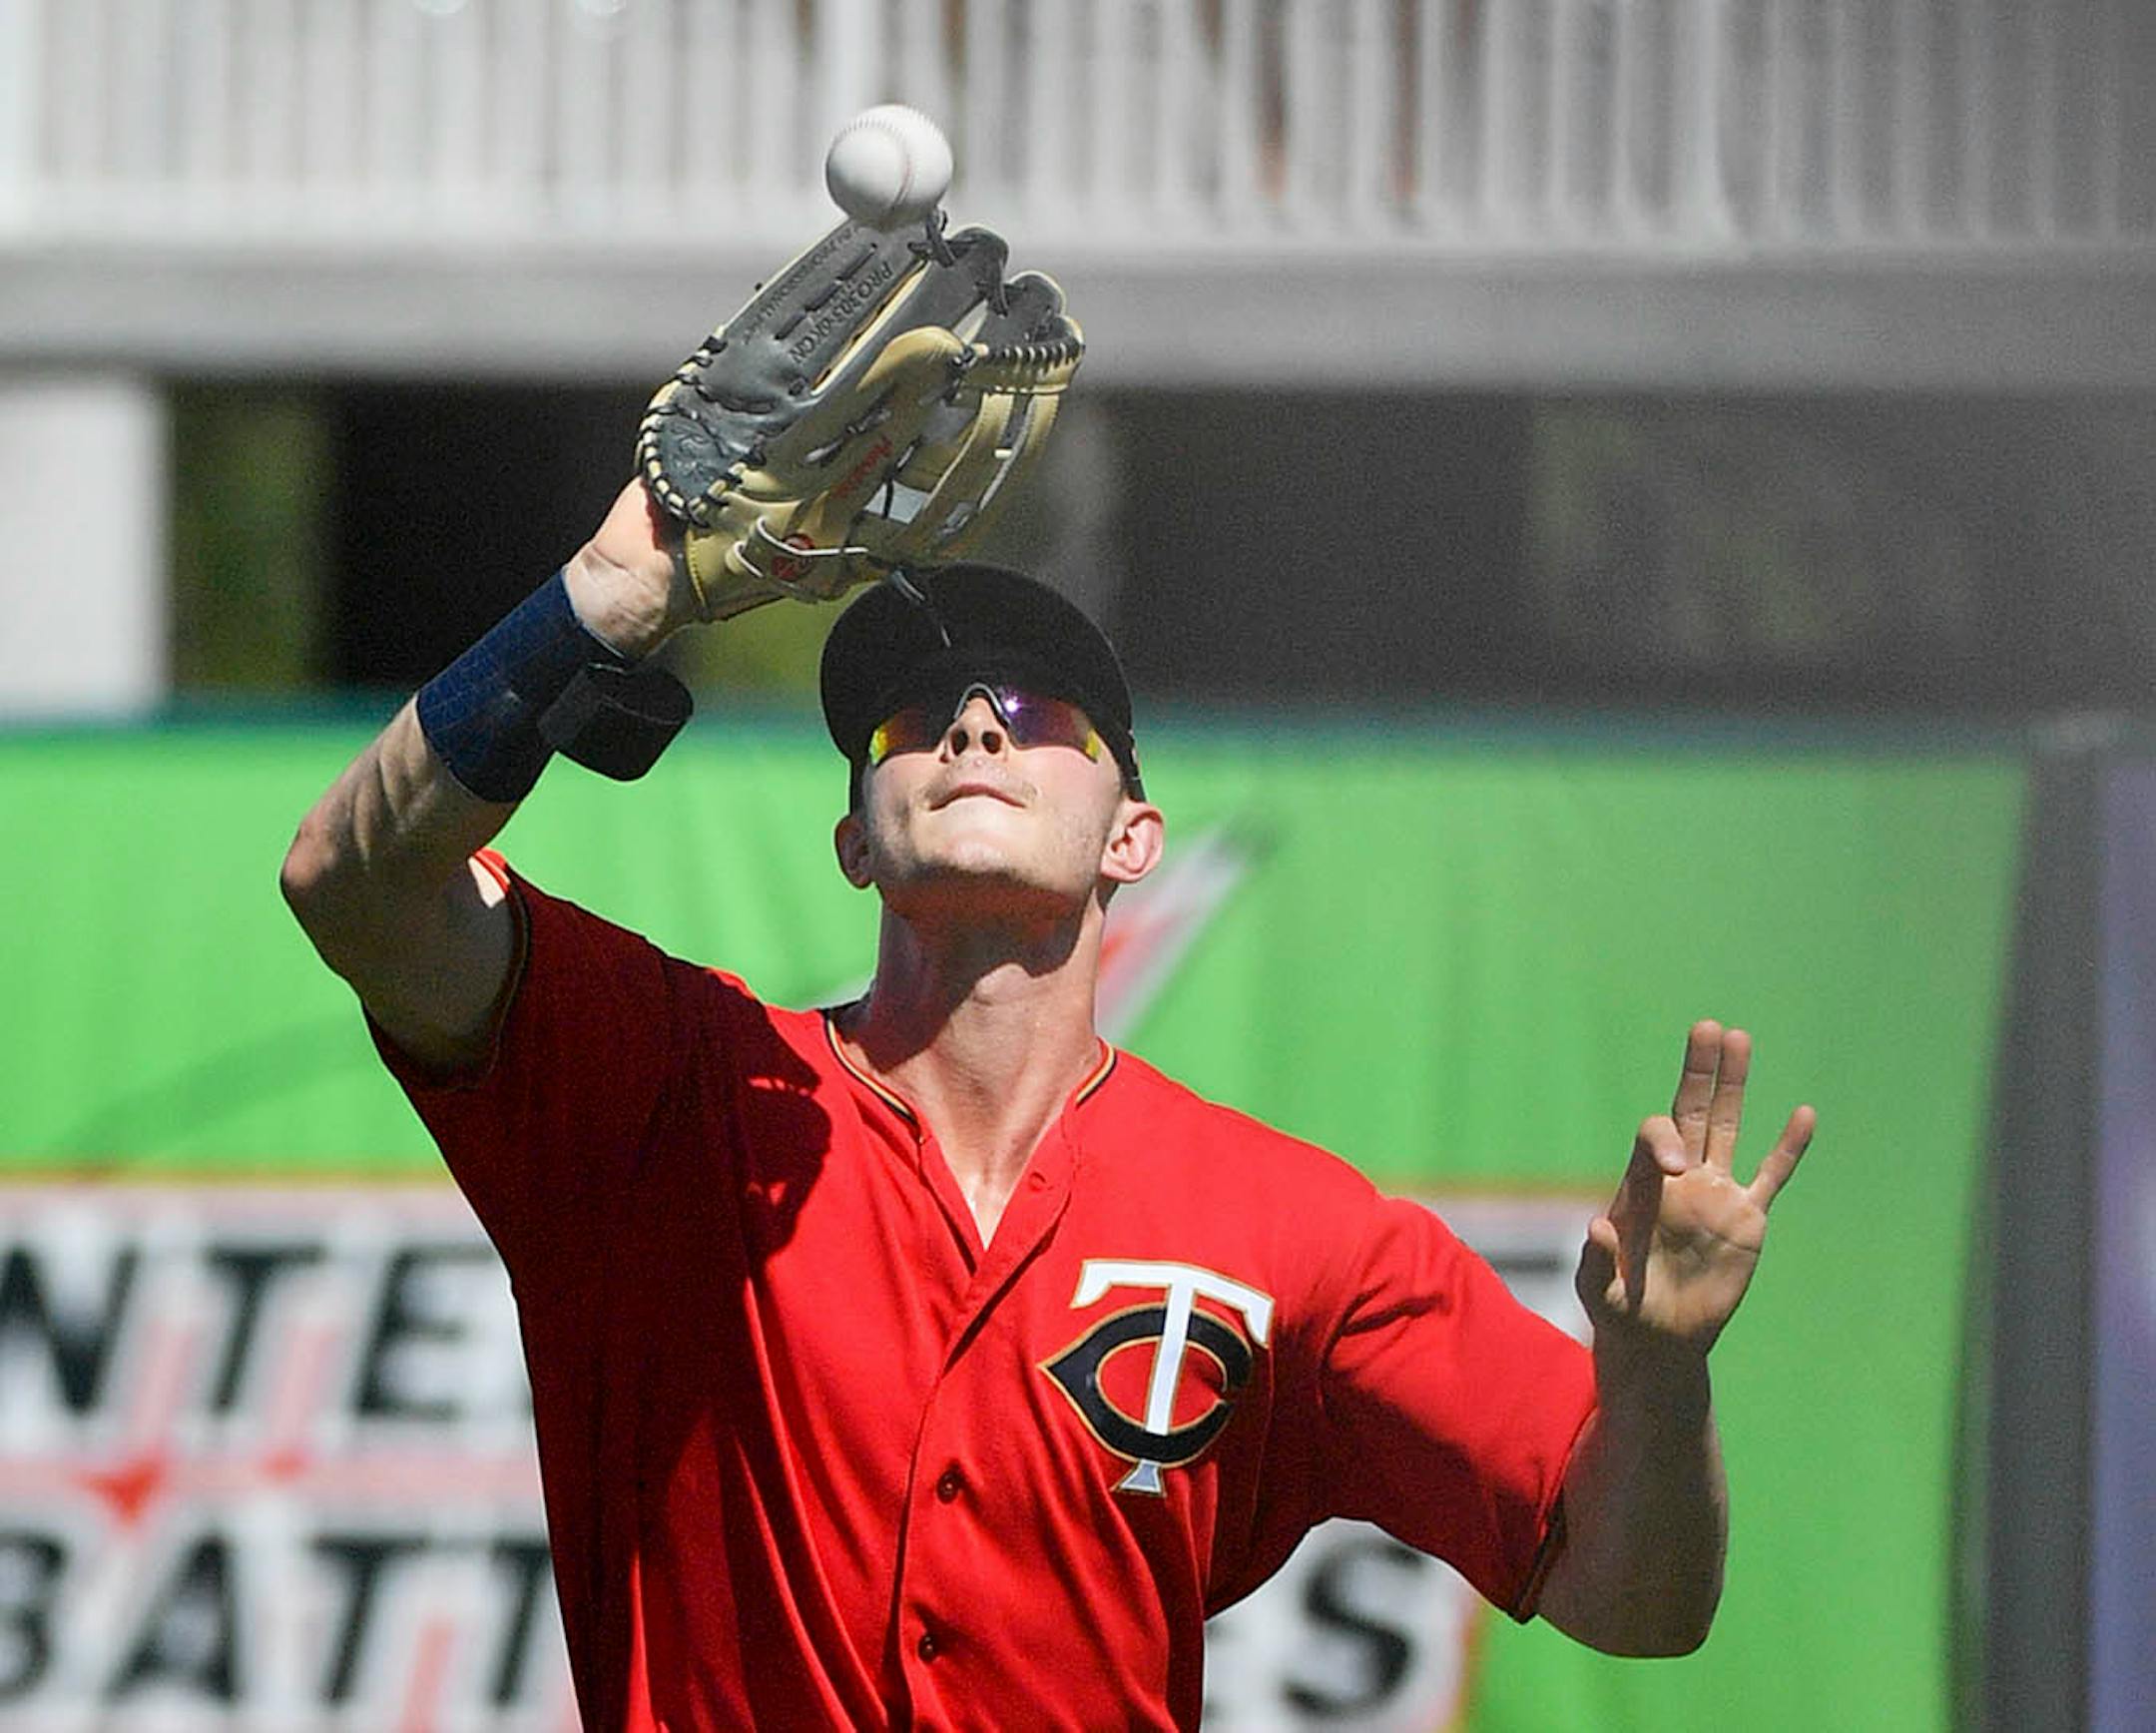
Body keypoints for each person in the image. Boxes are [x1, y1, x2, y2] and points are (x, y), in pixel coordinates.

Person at [281, 476, 1815, 1731]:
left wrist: (1662, 1379)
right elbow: (353, 885)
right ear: (854, 845)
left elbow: (1638, 1600)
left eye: (1034, 709)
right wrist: (598, 604)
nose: (968, 729)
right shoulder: (677, 1086)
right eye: (911, 718)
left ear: (1132, 838)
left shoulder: (1291, 1227)